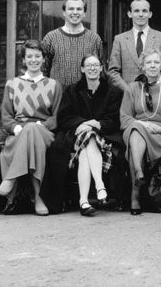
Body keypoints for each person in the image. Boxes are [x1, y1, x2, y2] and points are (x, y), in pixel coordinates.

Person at [0, 40, 63, 216]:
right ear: (24, 60)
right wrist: (18, 129)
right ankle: (38, 197)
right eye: (30, 56)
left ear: (43, 59)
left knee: (32, 129)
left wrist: (40, 125)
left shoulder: (54, 85)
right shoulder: (12, 84)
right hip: (19, 133)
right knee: (29, 132)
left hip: (44, 132)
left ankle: (10, 179)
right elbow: (6, 117)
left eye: (37, 56)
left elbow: (57, 117)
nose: (34, 60)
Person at [49, 54, 122, 216]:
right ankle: (99, 185)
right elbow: (63, 118)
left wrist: (96, 125)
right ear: (82, 69)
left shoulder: (113, 92)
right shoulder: (72, 91)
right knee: (87, 139)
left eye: (96, 65)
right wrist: (82, 124)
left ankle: (83, 201)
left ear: (101, 68)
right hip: (75, 136)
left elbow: (114, 120)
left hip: (104, 136)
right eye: (88, 65)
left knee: (88, 141)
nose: (92, 68)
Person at [120, 49, 161, 215]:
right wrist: (141, 124)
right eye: (149, 62)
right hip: (135, 128)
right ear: (142, 67)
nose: (153, 66)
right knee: (135, 130)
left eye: (156, 62)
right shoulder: (132, 88)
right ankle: (138, 175)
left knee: (136, 133)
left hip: (160, 133)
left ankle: (135, 194)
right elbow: (125, 117)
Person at [108, 0, 161, 92]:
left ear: (150, 14)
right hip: (127, 96)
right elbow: (113, 71)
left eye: (144, 11)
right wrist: (128, 90)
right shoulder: (120, 40)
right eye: (136, 11)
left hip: (154, 95)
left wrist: (153, 88)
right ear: (130, 14)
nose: (141, 14)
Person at [42, 0, 103, 87]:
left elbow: (101, 72)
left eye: (79, 9)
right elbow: (43, 71)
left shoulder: (94, 39)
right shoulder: (51, 38)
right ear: (64, 12)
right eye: (71, 9)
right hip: (58, 96)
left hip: (86, 97)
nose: (75, 12)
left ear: (84, 13)